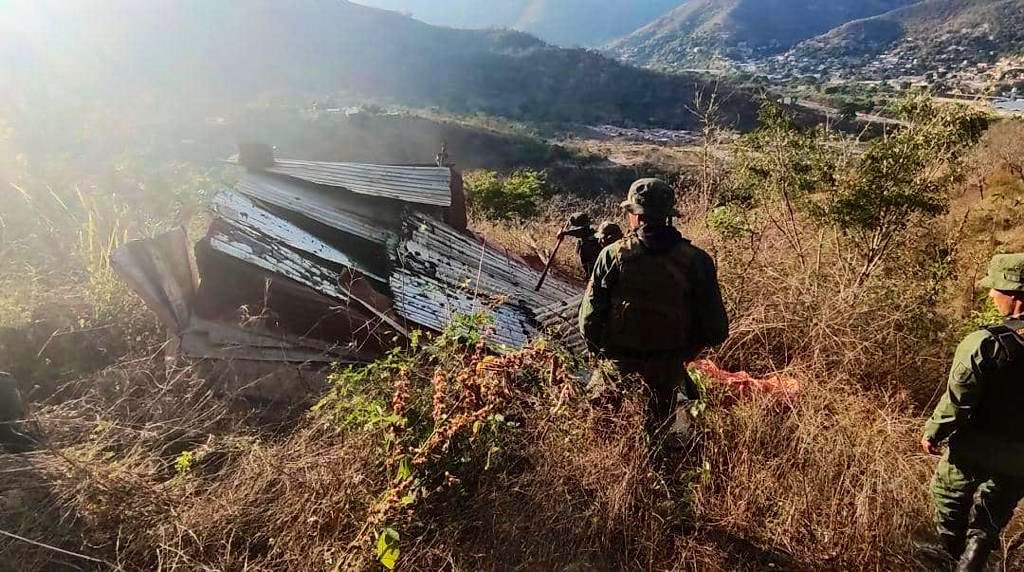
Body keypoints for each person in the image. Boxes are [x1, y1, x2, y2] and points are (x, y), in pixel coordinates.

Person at [578, 178, 729, 435]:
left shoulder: (612, 256)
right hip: (668, 370)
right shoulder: (697, 261)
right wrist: (683, 354)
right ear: (669, 215)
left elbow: (589, 321)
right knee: (662, 437)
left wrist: (604, 354)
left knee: (600, 431)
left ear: (635, 215)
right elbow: (717, 330)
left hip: (618, 368)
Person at [922, 253, 1024, 571]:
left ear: (1015, 295)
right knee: (996, 505)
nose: (992, 295)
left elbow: (958, 401)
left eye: (996, 289)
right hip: (1020, 457)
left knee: (948, 496)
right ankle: (977, 550)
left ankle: (950, 554)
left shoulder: (984, 343)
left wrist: (933, 432)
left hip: (976, 445)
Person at [559, 212, 602, 277]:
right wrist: (564, 232)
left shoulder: (591, 240)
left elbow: (579, 232)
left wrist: (564, 233)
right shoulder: (585, 236)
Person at [0, 372, 34, 452]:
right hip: (13, 418)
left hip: (7, 420)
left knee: (7, 435)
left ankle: (24, 444)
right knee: (9, 433)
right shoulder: (9, 380)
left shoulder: (6, 381)